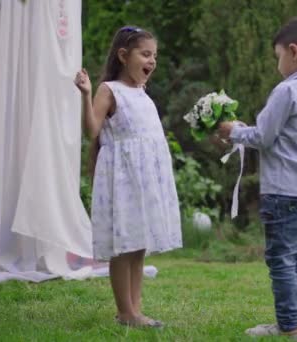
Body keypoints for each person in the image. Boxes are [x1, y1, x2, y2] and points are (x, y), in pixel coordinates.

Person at [218, 16, 297, 339]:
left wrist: (233, 131)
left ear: (293, 51)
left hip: (284, 191)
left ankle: (289, 327)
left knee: (281, 259)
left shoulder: (288, 89)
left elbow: (264, 136)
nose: (277, 63)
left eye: (278, 55)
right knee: (296, 259)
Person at [74, 26, 182, 328]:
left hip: (144, 180)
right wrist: (84, 95)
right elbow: (92, 130)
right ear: (123, 55)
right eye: (145, 54)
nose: (152, 61)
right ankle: (125, 311)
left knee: (138, 243)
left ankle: (135, 309)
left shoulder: (142, 93)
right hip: (122, 179)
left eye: (155, 56)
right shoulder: (109, 90)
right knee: (123, 245)